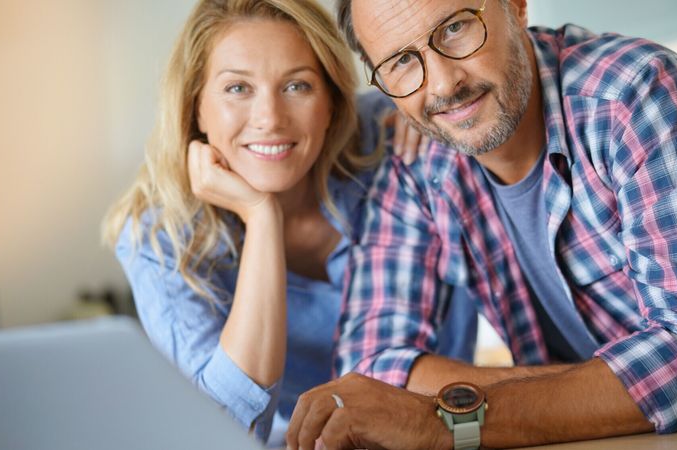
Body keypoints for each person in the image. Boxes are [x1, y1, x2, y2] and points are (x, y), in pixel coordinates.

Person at [286, 0, 677, 448]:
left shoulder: (634, 93)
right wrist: (581, 395)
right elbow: (368, 372)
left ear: (517, 7)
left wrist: (447, 420)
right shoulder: (418, 165)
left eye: (455, 28)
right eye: (400, 61)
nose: (441, 84)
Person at [101, 0, 477, 446]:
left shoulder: (395, 133)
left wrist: (432, 115)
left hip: (446, 430)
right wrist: (261, 217)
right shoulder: (160, 237)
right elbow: (224, 430)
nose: (270, 119)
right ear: (195, 106)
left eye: (297, 86)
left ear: (332, 102)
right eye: (238, 88)